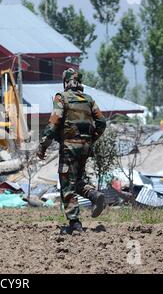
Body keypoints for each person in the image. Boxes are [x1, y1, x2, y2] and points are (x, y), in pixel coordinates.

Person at [37, 68, 107, 234]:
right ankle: (95, 196)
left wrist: (43, 145)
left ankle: (74, 224)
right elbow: (102, 123)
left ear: (65, 82)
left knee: (67, 184)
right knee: (76, 181)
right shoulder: (89, 100)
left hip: (69, 147)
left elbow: (54, 122)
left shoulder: (62, 98)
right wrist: (90, 140)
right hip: (85, 148)